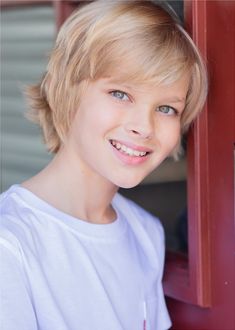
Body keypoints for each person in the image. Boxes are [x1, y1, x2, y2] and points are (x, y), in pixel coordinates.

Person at [0, 1, 207, 329]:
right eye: (121, 94)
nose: (144, 127)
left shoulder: (145, 232)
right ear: (65, 89)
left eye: (166, 108)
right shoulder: (10, 244)